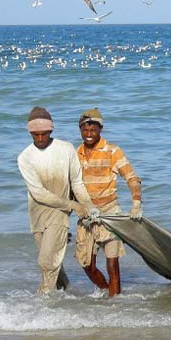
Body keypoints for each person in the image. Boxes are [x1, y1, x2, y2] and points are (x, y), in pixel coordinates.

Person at [17, 106, 99, 295]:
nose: (40, 139)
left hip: (59, 213)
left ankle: (42, 301)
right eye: (35, 135)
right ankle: (68, 292)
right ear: (30, 132)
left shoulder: (66, 149)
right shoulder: (25, 157)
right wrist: (73, 205)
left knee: (47, 261)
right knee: (52, 261)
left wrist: (88, 205)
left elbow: (77, 183)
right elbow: (38, 194)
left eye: (44, 134)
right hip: (37, 213)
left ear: (51, 131)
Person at [74, 108, 143, 297]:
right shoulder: (75, 154)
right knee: (87, 265)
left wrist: (136, 202)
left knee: (113, 263)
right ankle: (106, 292)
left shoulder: (113, 151)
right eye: (85, 130)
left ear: (100, 129)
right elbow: (70, 188)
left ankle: (115, 302)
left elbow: (132, 178)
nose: (89, 135)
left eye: (93, 130)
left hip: (110, 213)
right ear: (80, 129)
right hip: (87, 216)